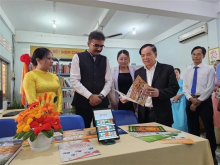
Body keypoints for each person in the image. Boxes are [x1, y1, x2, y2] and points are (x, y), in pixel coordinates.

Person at [120, 44, 179, 127]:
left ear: (155, 54)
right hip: (144, 113)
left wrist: (159, 93)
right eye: (142, 56)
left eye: (148, 54)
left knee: (163, 139)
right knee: (145, 138)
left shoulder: (167, 69)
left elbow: (174, 88)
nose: (145, 58)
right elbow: (138, 92)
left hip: (162, 113)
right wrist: (128, 98)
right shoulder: (138, 72)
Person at [183, 46, 217, 164]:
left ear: (203, 56)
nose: (195, 56)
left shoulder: (209, 69)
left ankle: (211, 154)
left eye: (198, 54)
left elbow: (210, 87)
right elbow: (185, 87)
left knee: (208, 128)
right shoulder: (187, 70)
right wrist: (191, 99)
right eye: (193, 54)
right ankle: (195, 152)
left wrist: (199, 101)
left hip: (204, 101)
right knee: (192, 128)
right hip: (191, 100)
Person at [70, 31, 112, 128]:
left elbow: (109, 81)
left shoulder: (105, 59)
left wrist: (101, 95)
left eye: (102, 46)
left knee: (105, 130)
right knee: (84, 131)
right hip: (83, 103)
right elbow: (74, 81)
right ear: (88, 44)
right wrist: (90, 96)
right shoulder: (77, 57)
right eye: (96, 45)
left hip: (102, 102)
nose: (99, 49)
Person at [23, 48, 63, 112]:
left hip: (55, 114)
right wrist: (43, 113)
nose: (52, 61)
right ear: (38, 60)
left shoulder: (54, 76)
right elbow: (32, 99)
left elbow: (59, 95)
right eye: (48, 58)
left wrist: (59, 111)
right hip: (40, 115)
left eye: (52, 58)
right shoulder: (30, 76)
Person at [212, 60, 220, 144]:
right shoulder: (213, 75)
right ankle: (218, 139)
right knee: (216, 115)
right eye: (214, 65)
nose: (215, 66)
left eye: (216, 64)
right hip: (215, 96)